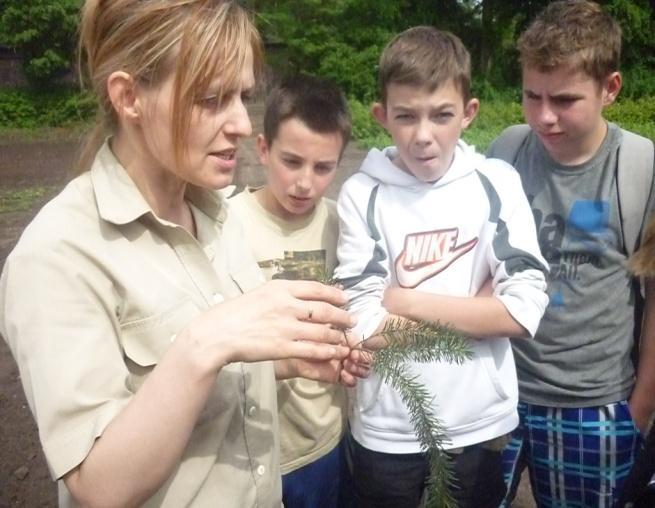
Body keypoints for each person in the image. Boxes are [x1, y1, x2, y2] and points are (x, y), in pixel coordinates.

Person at [0, 1, 367, 507]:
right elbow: (98, 485)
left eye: (241, 96)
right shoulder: (57, 256)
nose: (241, 122)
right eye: (212, 99)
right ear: (129, 97)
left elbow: (226, 375)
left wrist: (291, 358)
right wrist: (205, 341)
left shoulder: (219, 214)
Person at [334, 26, 549, 508]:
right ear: (381, 116)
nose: (424, 136)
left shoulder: (495, 182)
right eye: (406, 116)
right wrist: (478, 313)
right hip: (387, 433)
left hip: (480, 424)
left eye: (442, 115)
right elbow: (361, 323)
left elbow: (524, 310)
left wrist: (403, 299)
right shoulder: (362, 194)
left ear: (468, 114)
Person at [486, 1, 655, 506]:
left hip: (594, 405)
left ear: (611, 88)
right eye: (531, 96)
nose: (543, 116)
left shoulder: (641, 168)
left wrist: (640, 407)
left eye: (564, 99)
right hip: (497, 391)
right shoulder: (506, 152)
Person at [228, 74, 352, 508]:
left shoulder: (342, 224)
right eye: (292, 161)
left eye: (323, 168)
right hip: (251, 448)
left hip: (324, 440)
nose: (305, 183)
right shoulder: (226, 225)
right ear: (263, 149)